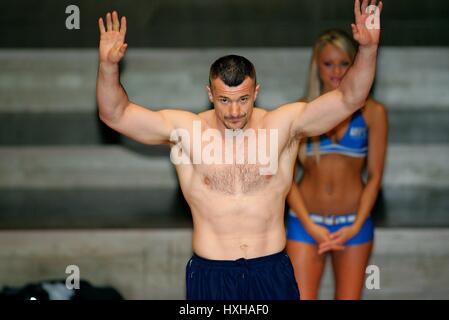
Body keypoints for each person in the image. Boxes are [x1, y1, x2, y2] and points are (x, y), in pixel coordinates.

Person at [96, 0, 382, 300]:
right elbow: (115, 114)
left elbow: (350, 98)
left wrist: (368, 50)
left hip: (271, 270)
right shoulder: (186, 130)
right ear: (210, 94)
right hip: (212, 274)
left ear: (256, 92)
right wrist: (107, 66)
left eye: (243, 99)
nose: (234, 110)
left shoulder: (284, 124)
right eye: (224, 100)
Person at [286, 29, 388, 300]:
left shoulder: (373, 113)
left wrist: (356, 224)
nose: (337, 71)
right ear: (316, 66)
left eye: (345, 63)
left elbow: (376, 176)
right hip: (304, 224)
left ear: (355, 64)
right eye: (328, 63)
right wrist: (309, 224)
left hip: (353, 224)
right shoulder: (299, 112)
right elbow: (283, 178)